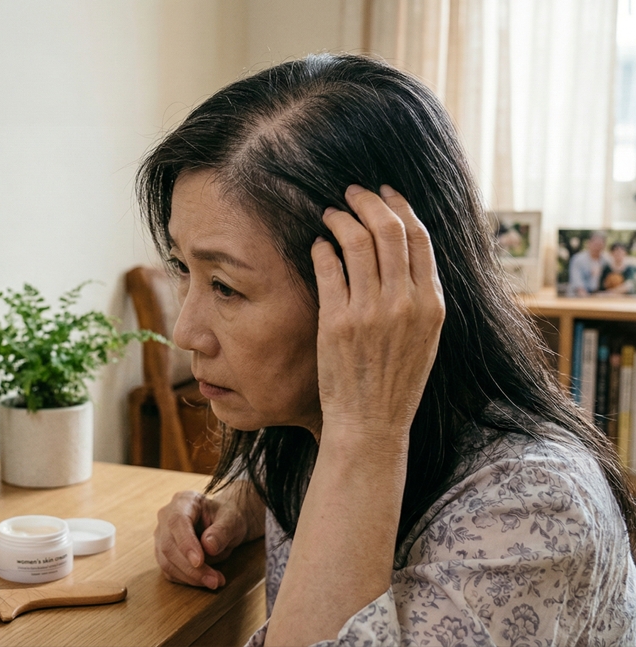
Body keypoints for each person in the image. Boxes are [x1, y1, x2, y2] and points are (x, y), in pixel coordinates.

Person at [140, 54, 636, 645]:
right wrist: (243, 504)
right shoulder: (303, 427)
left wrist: (364, 431)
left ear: (376, 287)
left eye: (225, 286)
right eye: (182, 268)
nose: (186, 332)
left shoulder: (532, 513)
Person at [567, 230, 608, 296]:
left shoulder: (606, 260)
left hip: (598, 296)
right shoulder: (578, 259)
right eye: (595, 244)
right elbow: (577, 282)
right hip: (578, 296)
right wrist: (587, 298)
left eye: (600, 244)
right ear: (589, 243)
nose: (597, 248)